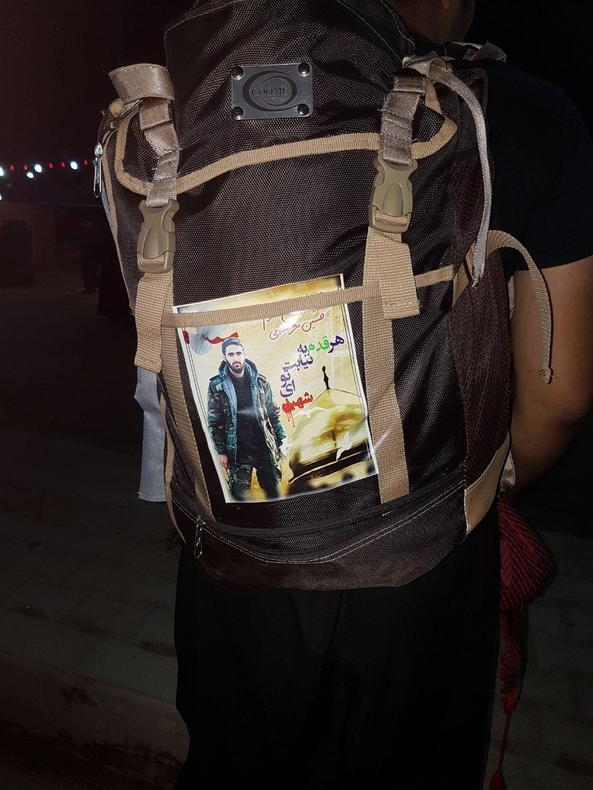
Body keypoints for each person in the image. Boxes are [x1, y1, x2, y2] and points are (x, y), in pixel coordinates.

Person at [174, 2, 593, 788]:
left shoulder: (203, 96)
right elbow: (559, 392)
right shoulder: (521, 111)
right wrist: (493, 487)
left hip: (237, 556)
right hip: (423, 563)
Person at [207, 337, 286, 500]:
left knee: (274, 494)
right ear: (224, 357)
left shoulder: (261, 381)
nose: (235, 358)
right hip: (238, 451)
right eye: (231, 354)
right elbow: (215, 422)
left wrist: (282, 440)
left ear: (244, 354)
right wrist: (221, 451)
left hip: (264, 447)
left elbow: (273, 413)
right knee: (240, 498)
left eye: (238, 353)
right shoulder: (217, 386)